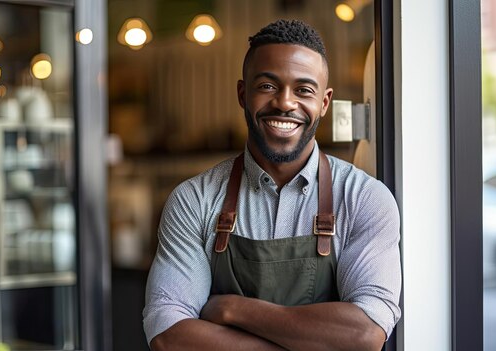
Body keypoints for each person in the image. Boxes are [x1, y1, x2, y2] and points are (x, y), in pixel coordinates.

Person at [143, 19, 401, 351]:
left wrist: (232, 308)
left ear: (324, 102)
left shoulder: (364, 198)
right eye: (267, 86)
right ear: (242, 93)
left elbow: (365, 334)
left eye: (304, 90)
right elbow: (169, 335)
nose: (285, 102)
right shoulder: (195, 200)